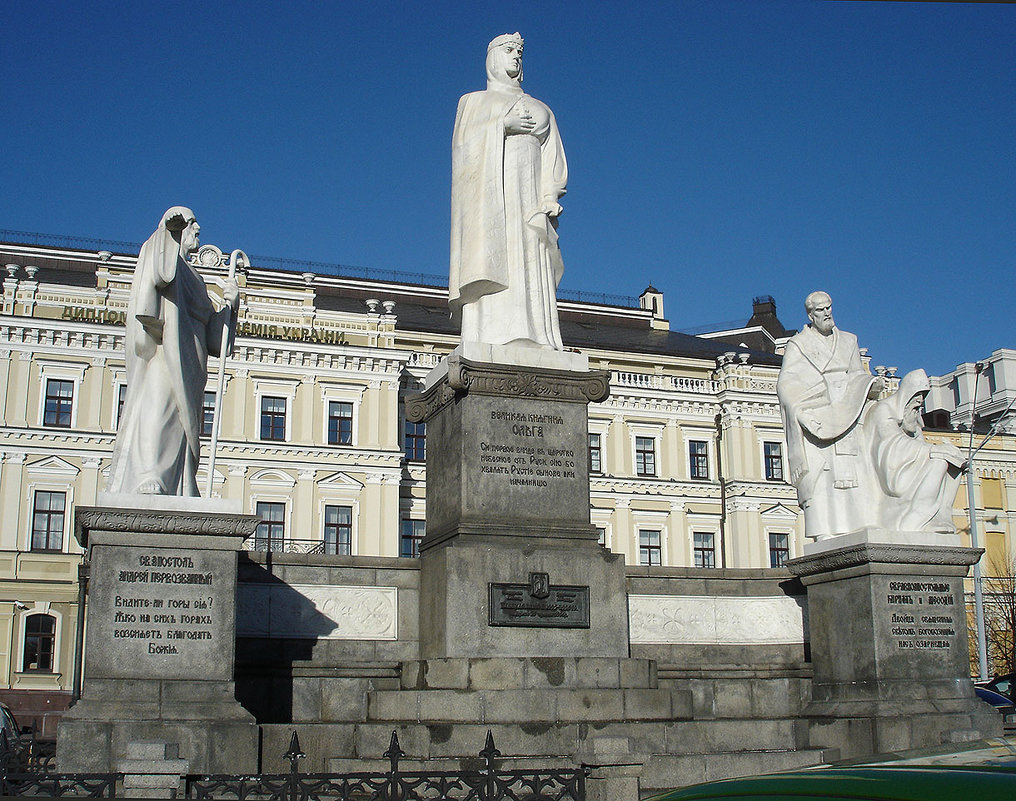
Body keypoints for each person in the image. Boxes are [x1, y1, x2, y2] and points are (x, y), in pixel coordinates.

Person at [107, 207, 239, 496]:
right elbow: (157, 271)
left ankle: (181, 483)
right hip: (166, 351)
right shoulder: (166, 261)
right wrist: (169, 225)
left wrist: (231, 306)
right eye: (192, 224)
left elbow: (216, 339)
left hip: (193, 361)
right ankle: (149, 474)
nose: (199, 228)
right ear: (180, 229)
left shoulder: (197, 279)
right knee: (157, 409)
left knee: (182, 424)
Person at [449, 33, 568, 350]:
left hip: (530, 200)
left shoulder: (540, 108)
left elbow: (552, 155)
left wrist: (550, 196)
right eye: (508, 50)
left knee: (529, 254)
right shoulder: (473, 102)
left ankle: (535, 335)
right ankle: (490, 335)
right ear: (492, 58)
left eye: (519, 52)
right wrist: (502, 124)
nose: (516, 55)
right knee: (497, 253)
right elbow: (463, 150)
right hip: (492, 201)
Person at [776, 291, 884, 538]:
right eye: (821, 310)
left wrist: (869, 384)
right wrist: (801, 409)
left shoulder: (849, 340)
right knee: (822, 477)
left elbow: (857, 373)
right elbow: (787, 383)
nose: (827, 313)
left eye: (829, 308)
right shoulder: (799, 345)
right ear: (810, 315)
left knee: (855, 472)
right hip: (818, 417)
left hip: (848, 412)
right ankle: (824, 532)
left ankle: (857, 525)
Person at [868, 369, 965, 532]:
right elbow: (891, 442)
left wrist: (950, 454)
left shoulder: (912, 419)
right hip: (890, 471)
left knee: (949, 463)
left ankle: (941, 516)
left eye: (923, 396)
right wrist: (933, 450)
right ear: (907, 394)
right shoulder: (884, 409)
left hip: (908, 466)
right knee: (939, 462)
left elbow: (920, 441)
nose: (920, 400)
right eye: (917, 395)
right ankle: (916, 519)